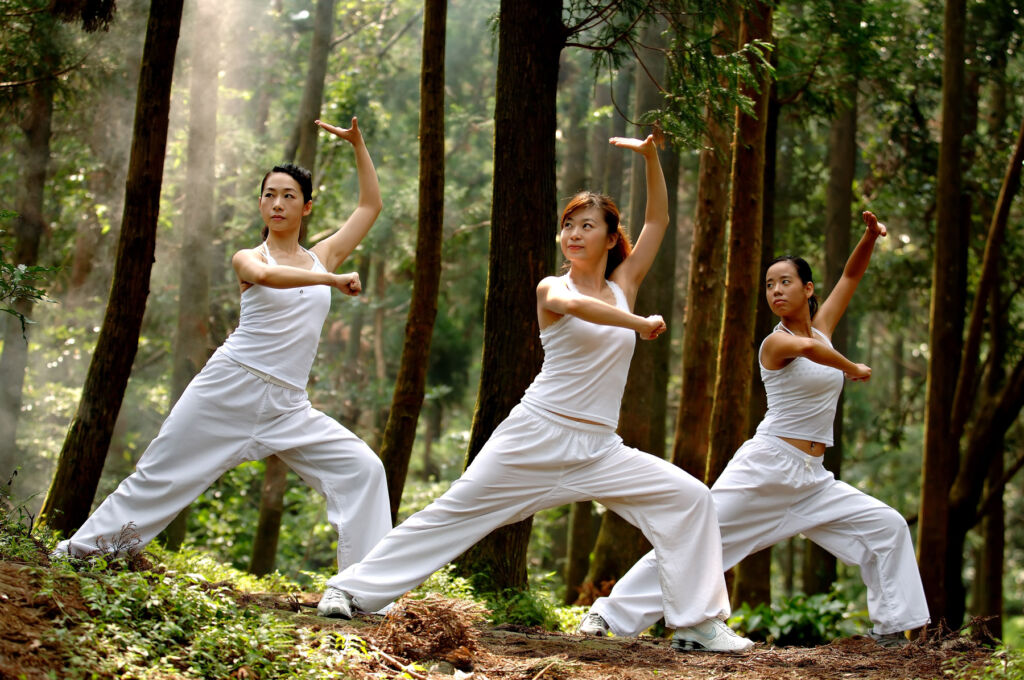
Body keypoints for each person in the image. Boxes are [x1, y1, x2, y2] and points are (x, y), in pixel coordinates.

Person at [314, 135, 753, 654]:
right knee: (456, 513)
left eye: (587, 225)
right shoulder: (553, 288)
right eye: (568, 224)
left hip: (599, 448)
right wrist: (637, 322)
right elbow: (583, 311)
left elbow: (657, 221)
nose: (573, 233)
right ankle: (349, 589)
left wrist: (652, 160)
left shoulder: (624, 283)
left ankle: (698, 623)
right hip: (536, 434)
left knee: (690, 500)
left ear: (612, 238)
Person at [53, 118, 392, 576]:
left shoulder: (322, 254)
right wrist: (330, 280)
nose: (277, 203)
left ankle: (362, 590)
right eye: (269, 195)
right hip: (229, 387)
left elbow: (370, 205)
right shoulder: (251, 258)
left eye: (289, 195)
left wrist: (358, 144)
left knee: (365, 471)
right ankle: (82, 554)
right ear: (260, 204)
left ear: (307, 207)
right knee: (160, 473)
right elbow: (270, 278)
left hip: (288, 405)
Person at [579, 211, 930, 647]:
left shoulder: (823, 329)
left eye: (784, 281)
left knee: (887, 526)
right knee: (701, 542)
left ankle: (894, 630)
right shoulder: (776, 341)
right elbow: (807, 350)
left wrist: (870, 238)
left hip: (812, 479)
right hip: (767, 468)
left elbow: (850, 277)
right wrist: (852, 367)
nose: (775, 291)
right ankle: (607, 617)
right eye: (769, 284)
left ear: (808, 288)